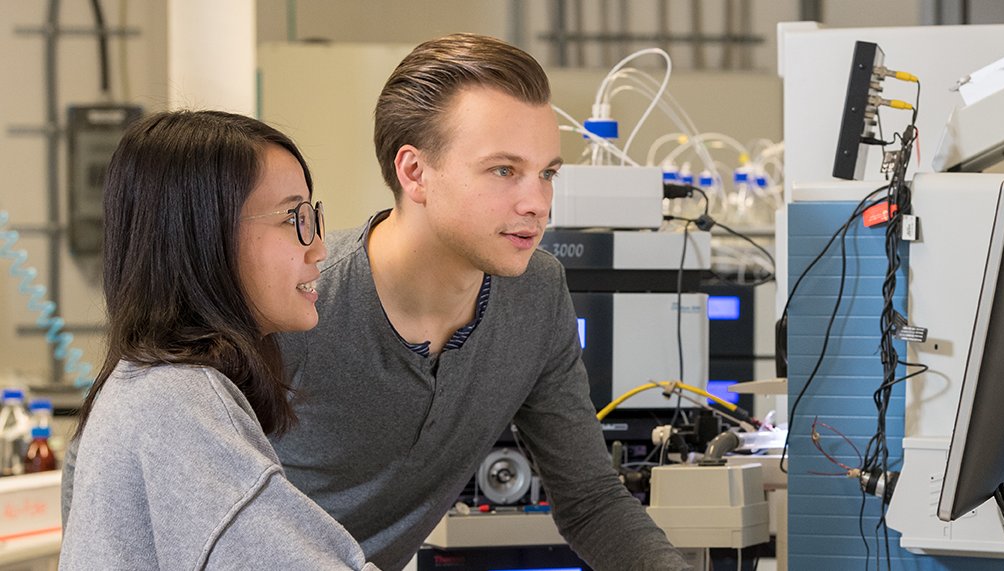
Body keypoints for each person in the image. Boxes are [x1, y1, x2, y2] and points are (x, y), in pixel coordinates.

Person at [270, 33, 690, 570]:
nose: (537, 204)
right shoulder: (297, 303)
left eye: (547, 174)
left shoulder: (537, 294)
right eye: (503, 171)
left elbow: (592, 501)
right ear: (414, 172)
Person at [60, 110, 377, 570]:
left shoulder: (148, 385)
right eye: (294, 218)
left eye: (313, 216)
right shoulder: (178, 401)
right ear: (205, 234)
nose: (319, 248)